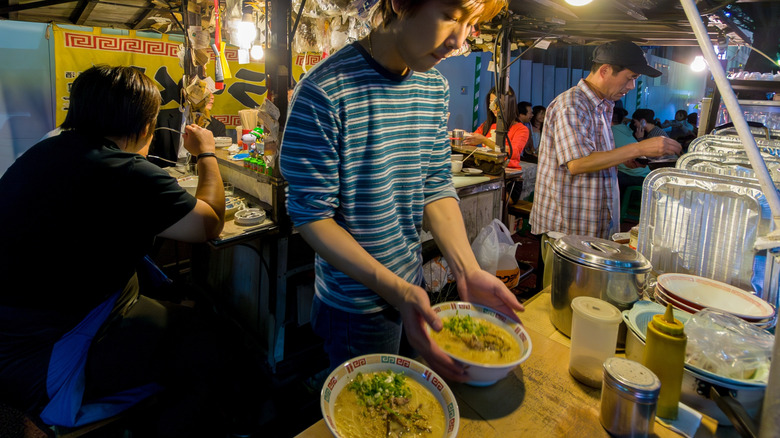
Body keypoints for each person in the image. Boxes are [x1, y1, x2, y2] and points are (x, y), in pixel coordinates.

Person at [0, 65, 259, 437]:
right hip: (50, 357)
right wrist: (206, 154)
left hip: (16, 332)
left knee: (172, 304)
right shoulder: (123, 170)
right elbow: (209, 223)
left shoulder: (44, 150)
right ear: (145, 126)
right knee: (213, 344)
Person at [279, 0, 523, 383]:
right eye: (451, 16)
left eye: (470, 24)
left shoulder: (433, 87)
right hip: (355, 306)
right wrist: (396, 291)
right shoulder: (324, 91)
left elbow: (435, 184)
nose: (458, 41)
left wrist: (467, 270)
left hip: (413, 291)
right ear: (400, 3)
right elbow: (313, 217)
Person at [529, 40, 681, 288]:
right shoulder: (573, 104)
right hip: (567, 228)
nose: (632, 86)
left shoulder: (602, 106)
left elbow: (593, 155)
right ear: (605, 70)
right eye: (630, 78)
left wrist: (625, 158)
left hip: (591, 225)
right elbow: (577, 163)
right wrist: (640, 147)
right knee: (556, 303)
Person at [464, 86, 529, 169]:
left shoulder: (521, 129)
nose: (493, 107)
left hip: (506, 171)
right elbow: (472, 140)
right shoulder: (487, 125)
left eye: (497, 103)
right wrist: (463, 135)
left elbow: (514, 153)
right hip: (486, 167)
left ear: (508, 104)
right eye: (491, 102)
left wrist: (485, 140)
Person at [611, 107, 650, 199]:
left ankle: (616, 210)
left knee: (605, 178)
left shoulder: (610, 132)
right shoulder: (627, 130)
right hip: (645, 174)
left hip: (635, 177)